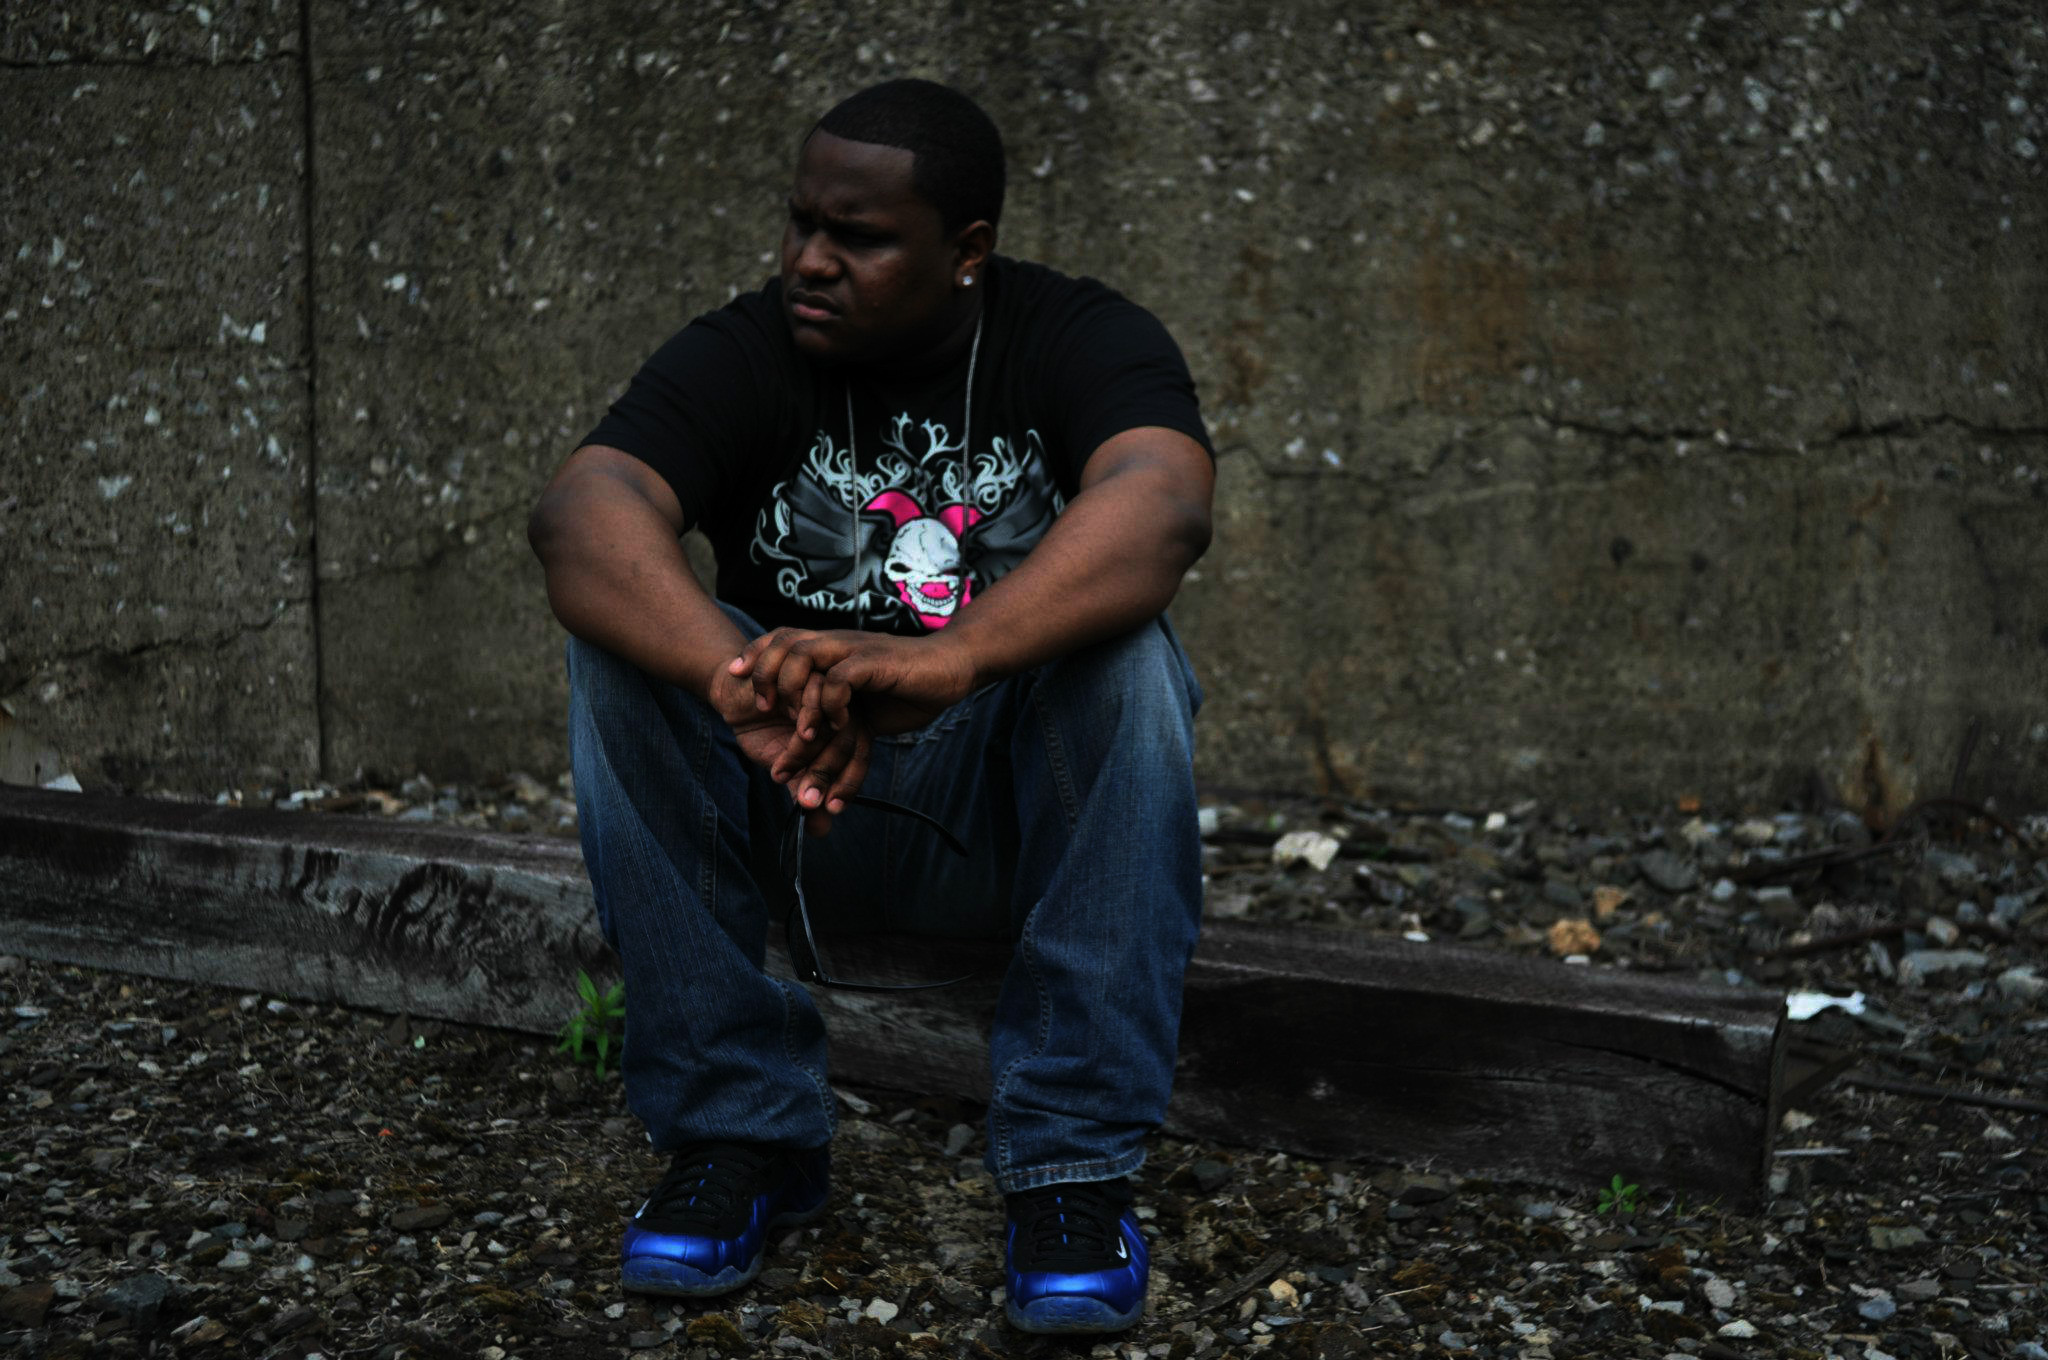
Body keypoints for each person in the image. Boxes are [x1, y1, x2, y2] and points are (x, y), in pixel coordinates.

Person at [526, 78, 1215, 1336]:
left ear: (966, 250)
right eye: (801, 223)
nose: (810, 259)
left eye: (859, 237)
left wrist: (956, 658)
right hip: (795, 797)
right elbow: (582, 515)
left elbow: (1162, 501)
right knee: (617, 646)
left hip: (997, 824)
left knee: (1126, 654)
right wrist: (734, 681)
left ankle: (1068, 1171)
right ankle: (740, 1137)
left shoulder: (1072, 334)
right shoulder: (746, 348)